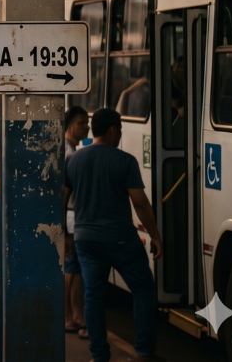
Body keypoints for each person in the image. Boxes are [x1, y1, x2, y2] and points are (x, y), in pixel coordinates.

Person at [65, 108, 162, 362]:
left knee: (94, 296)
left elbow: (60, 201)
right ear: (112, 130)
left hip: (85, 239)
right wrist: (155, 235)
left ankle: (99, 356)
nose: (120, 134)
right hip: (120, 238)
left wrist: (64, 235)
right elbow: (140, 202)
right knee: (142, 287)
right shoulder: (124, 161)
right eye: (119, 129)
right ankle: (144, 352)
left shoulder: (73, 160)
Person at [63, 105, 89, 337]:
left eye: (87, 123)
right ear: (69, 125)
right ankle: (68, 316)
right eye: (81, 123)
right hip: (70, 217)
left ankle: (75, 315)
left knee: (76, 268)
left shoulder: (72, 149)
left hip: (72, 216)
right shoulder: (67, 151)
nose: (86, 127)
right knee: (71, 269)